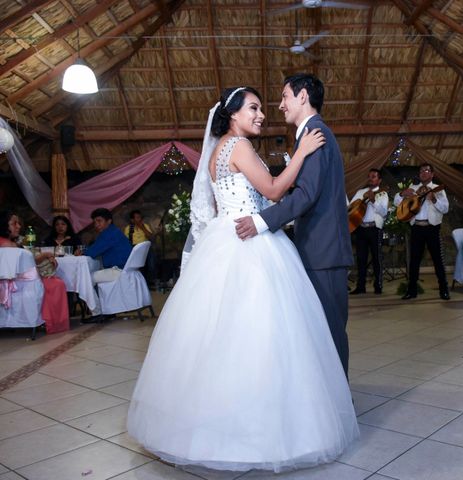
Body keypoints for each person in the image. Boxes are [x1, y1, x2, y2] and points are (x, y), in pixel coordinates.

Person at [127, 86, 359, 473]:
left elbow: (226, 203)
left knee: (217, 336)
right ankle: (262, 421)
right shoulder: (241, 147)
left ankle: (208, 419)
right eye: (253, 108)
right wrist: (300, 155)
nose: (262, 114)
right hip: (250, 242)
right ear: (233, 113)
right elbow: (271, 189)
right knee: (262, 333)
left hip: (223, 239)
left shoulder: (218, 151)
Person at [234, 74, 354, 377]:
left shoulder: (316, 134)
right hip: (319, 249)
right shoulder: (308, 136)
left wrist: (261, 221)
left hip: (324, 251)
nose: (280, 105)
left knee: (330, 332)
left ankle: (340, 407)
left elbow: (307, 195)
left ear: (303, 97)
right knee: (321, 331)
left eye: (285, 96)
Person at [0, 210, 69, 333]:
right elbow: (25, 265)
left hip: (19, 281)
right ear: (4, 225)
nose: (18, 226)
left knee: (55, 281)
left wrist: (44, 256)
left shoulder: (11, 243)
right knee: (56, 283)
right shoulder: (8, 245)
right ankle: (51, 322)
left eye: (18, 223)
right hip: (22, 284)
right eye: (14, 223)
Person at [394, 162, 450, 300]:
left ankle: (444, 290)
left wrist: (434, 200)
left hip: (432, 228)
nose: (423, 173)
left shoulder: (438, 189)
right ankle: (412, 291)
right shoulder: (413, 188)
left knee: (438, 260)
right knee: (414, 260)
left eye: (426, 170)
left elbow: (445, 209)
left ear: (432, 174)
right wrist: (402, 193)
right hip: (416, 228)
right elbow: (396, 202)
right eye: (421, 171)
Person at [349, 168, 389, 295]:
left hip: (374, 229)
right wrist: (360, 201)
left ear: (379, 180)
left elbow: (383, 213)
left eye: (374, 176)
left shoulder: (383, 194)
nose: (371, 178)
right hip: (361, 229)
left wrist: (373, 201)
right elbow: (350, 207)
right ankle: (361, 287)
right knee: (361, 259)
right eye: (369, 176)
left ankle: (378, 286)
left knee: (377, 258)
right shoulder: (360, 192)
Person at [78, 208, 132, 284]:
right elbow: (96, 248)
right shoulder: (113, 231)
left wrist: (82, 252)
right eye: (94, 222)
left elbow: (92, 252)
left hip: (119, 270)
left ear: (109, 221)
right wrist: (85, 250)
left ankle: (92, 296)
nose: (96, 224)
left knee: (85, 278)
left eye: (99, 221)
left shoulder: (109, 234)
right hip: (126, 269)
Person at [122, 210, 158, 286]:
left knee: (152, 263)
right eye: (137, 218)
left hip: (146, 248)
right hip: (135, 248)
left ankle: (151, 281)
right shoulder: (128, 228)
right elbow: (126, 242)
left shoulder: (145, 226)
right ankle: (142, 283)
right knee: (139, 266)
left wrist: (143, 228)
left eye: (140, 217)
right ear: (132, 220)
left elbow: (152, 238)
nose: (140, 219)